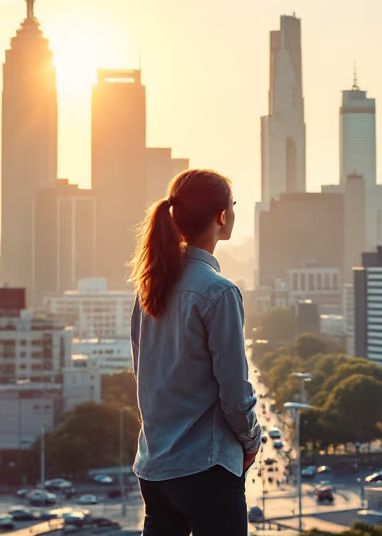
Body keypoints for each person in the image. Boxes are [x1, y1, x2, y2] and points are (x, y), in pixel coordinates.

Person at [128, 169, 262, 535]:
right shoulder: (218, 292)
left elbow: (144, 378)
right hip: (207, 471)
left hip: (155, 472)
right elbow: (235, 393)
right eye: (232, 205)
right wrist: (252, 440)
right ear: (221, 216)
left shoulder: (148, 290)